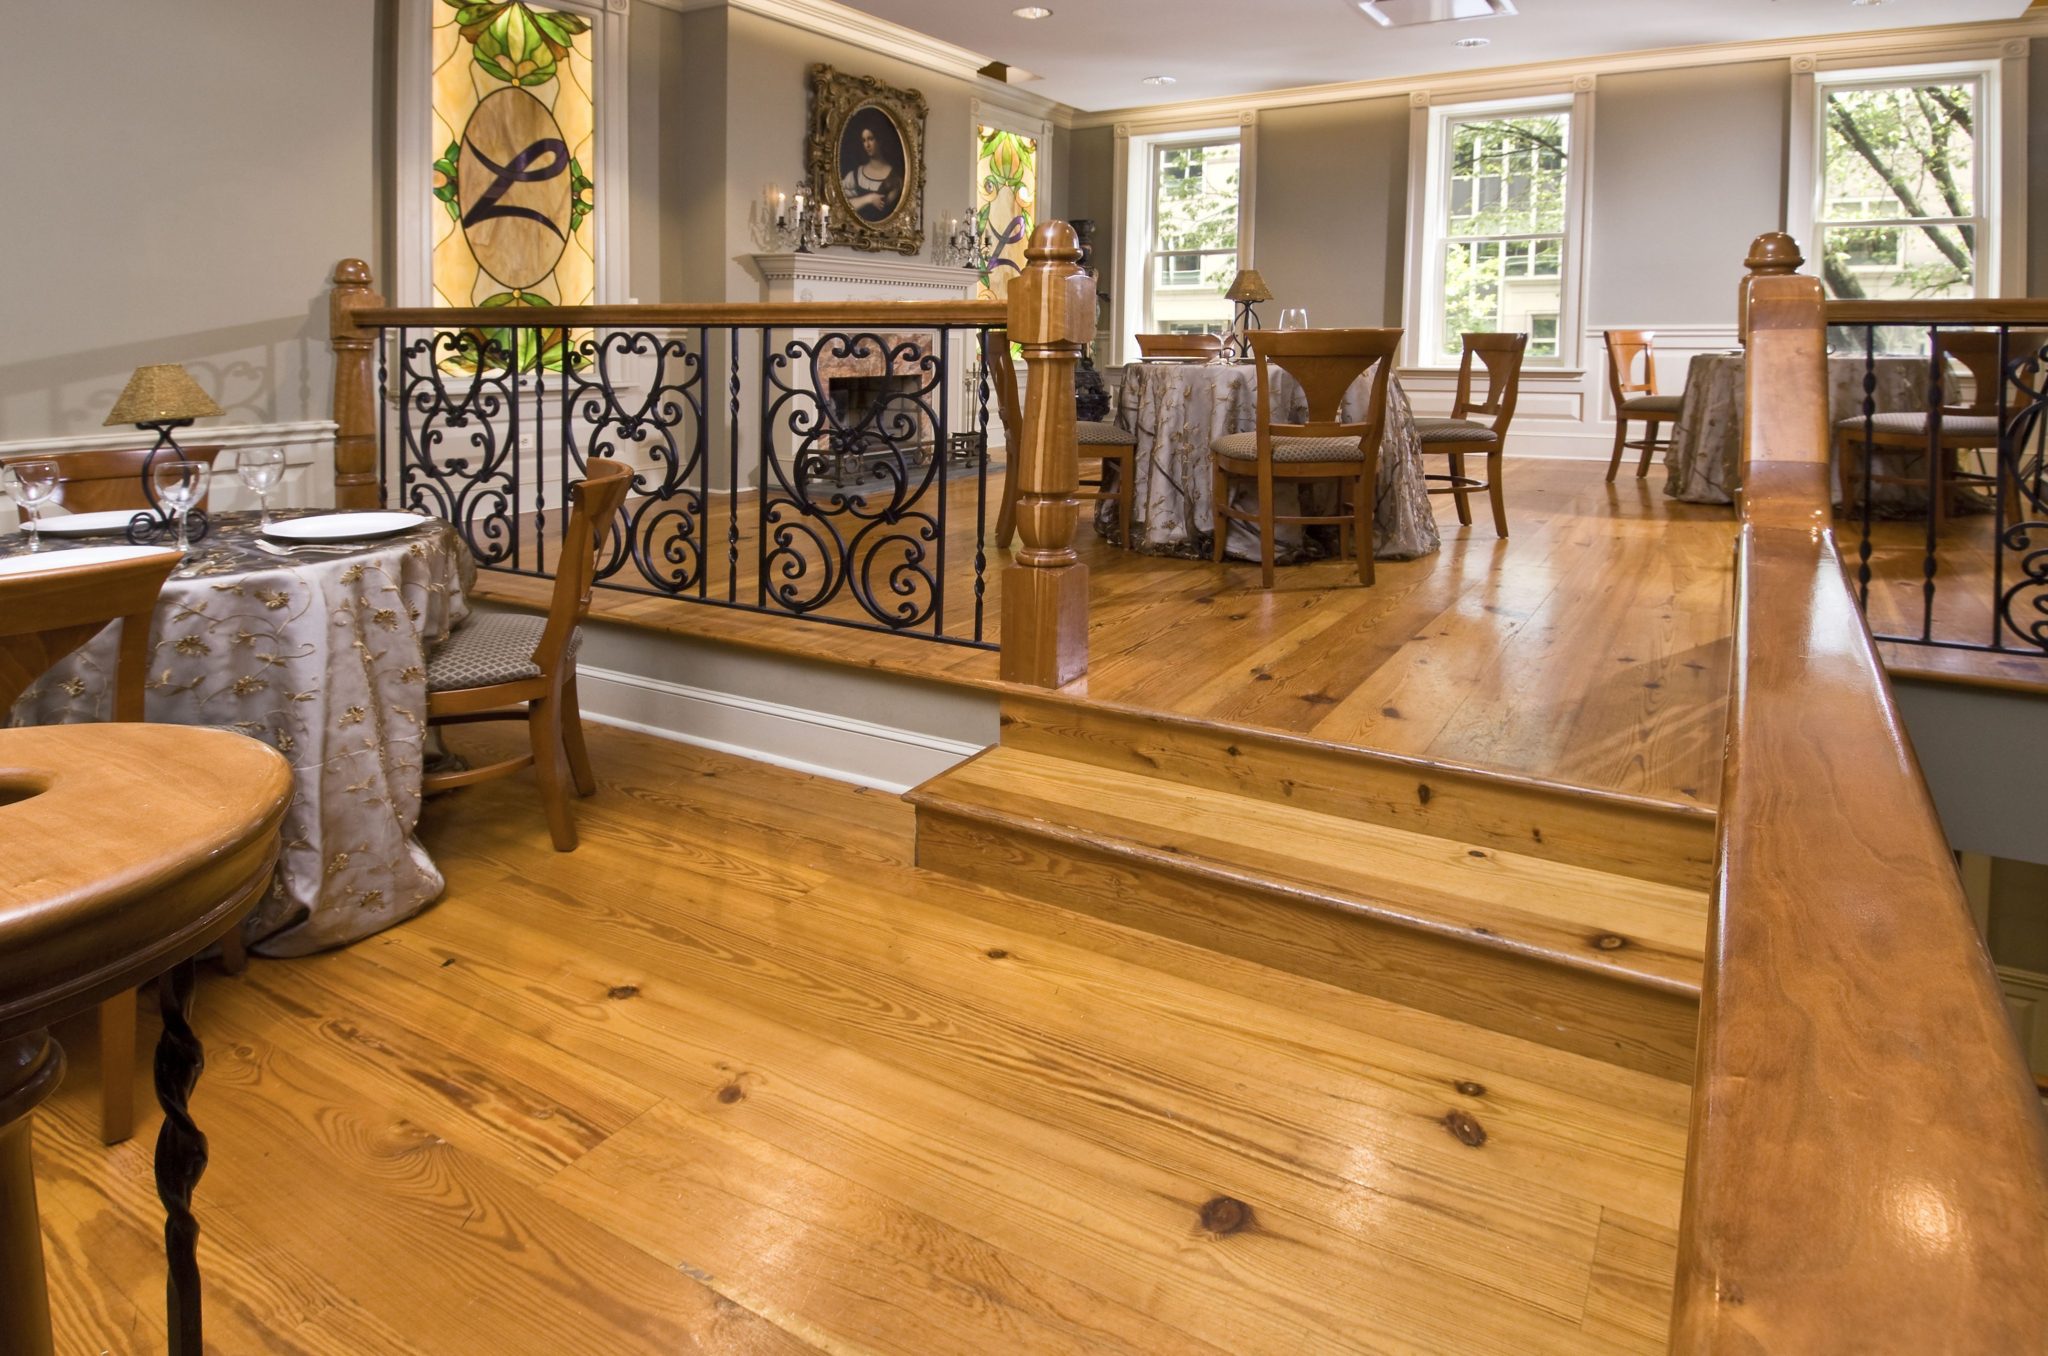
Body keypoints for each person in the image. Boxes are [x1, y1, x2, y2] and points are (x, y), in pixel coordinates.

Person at [840, 114, 903, 222]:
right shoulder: (856, 175)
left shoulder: (895, 179)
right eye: (864, 140)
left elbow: (884, 210)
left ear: (880, 140)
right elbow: (841, 206)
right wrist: (869, 199)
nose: (867, 145)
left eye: (870, 139)